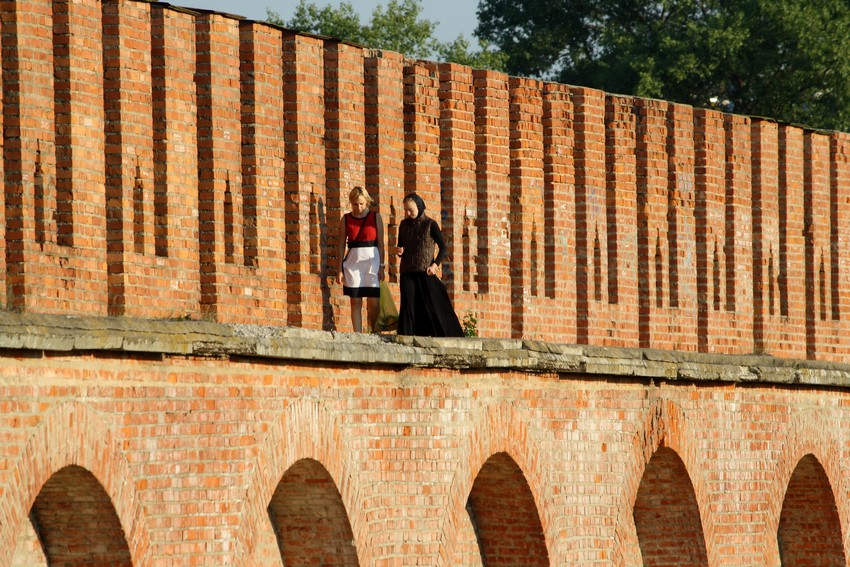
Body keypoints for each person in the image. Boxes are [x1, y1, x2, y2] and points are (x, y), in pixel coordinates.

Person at [395, 193, 464, 337]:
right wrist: (399, 251)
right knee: (408, 306)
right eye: (405, 210)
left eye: (411, 210)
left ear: (419, 207)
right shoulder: (403, 225)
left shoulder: (430, 224)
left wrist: (435, 265)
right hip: (407, 271)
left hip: (424, 271)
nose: (408, 213)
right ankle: (406, 337)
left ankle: (445, 335)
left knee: (432, 305)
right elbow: (400, 246)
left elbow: (443, 247)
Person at [337, 186, 385, 332]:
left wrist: (382, 265)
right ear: (351, 203)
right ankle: (357, 334)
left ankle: (375, 332)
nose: (358, 207)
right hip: (353, 263)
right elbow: (340, 245)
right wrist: (339, 269)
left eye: (361, 204)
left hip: (372, 262)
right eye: (355, 204)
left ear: (367, 202)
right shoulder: (346, 219)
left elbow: (381, 244)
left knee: (374, 303)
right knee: (355, 301)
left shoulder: (375, 217)